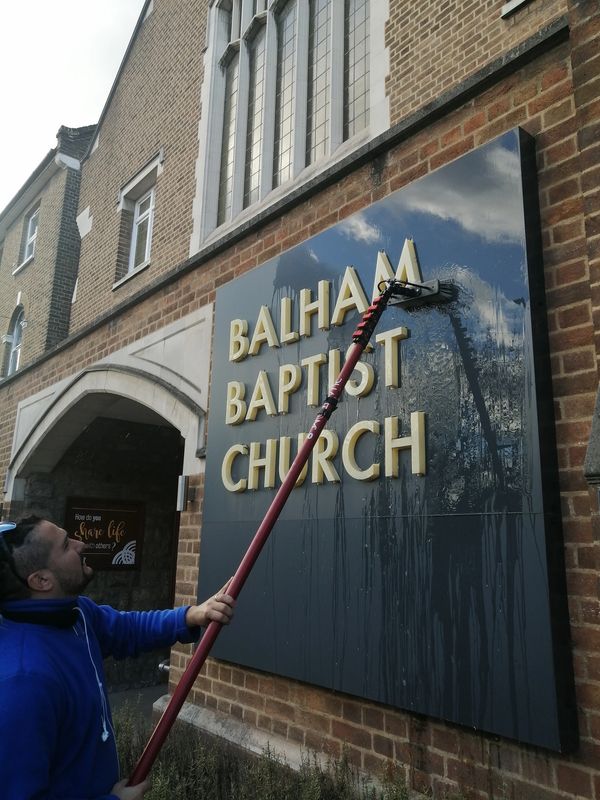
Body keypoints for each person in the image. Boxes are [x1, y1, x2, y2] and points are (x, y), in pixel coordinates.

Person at [0, 515, 236, 800]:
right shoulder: (24, 681)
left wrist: (190, 616)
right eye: (65, 546)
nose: (81, 543)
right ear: (41, 580)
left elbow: (126, 629)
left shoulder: (76, 614)